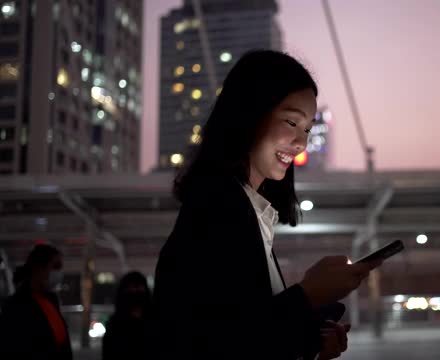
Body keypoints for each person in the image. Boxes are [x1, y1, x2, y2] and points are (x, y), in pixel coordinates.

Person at [150, 50, 381, 359]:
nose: (302, 142)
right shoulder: (216, 210)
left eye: (308, 129)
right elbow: (215, 342)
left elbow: (244, 325)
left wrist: (310, 344)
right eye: (291, 121)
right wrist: (309, 293)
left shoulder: (246, 208)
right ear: (249, 113)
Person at [0, 244, 72, 360]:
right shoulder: (15, 306)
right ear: (39, 269)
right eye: (56, 266)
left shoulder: (51, 300)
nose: (59, 272)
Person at [103, 271, 152, 360]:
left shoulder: (154, 323)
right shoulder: (115, 326)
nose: (135, 291)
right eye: (131, 288)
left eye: (139, 287)